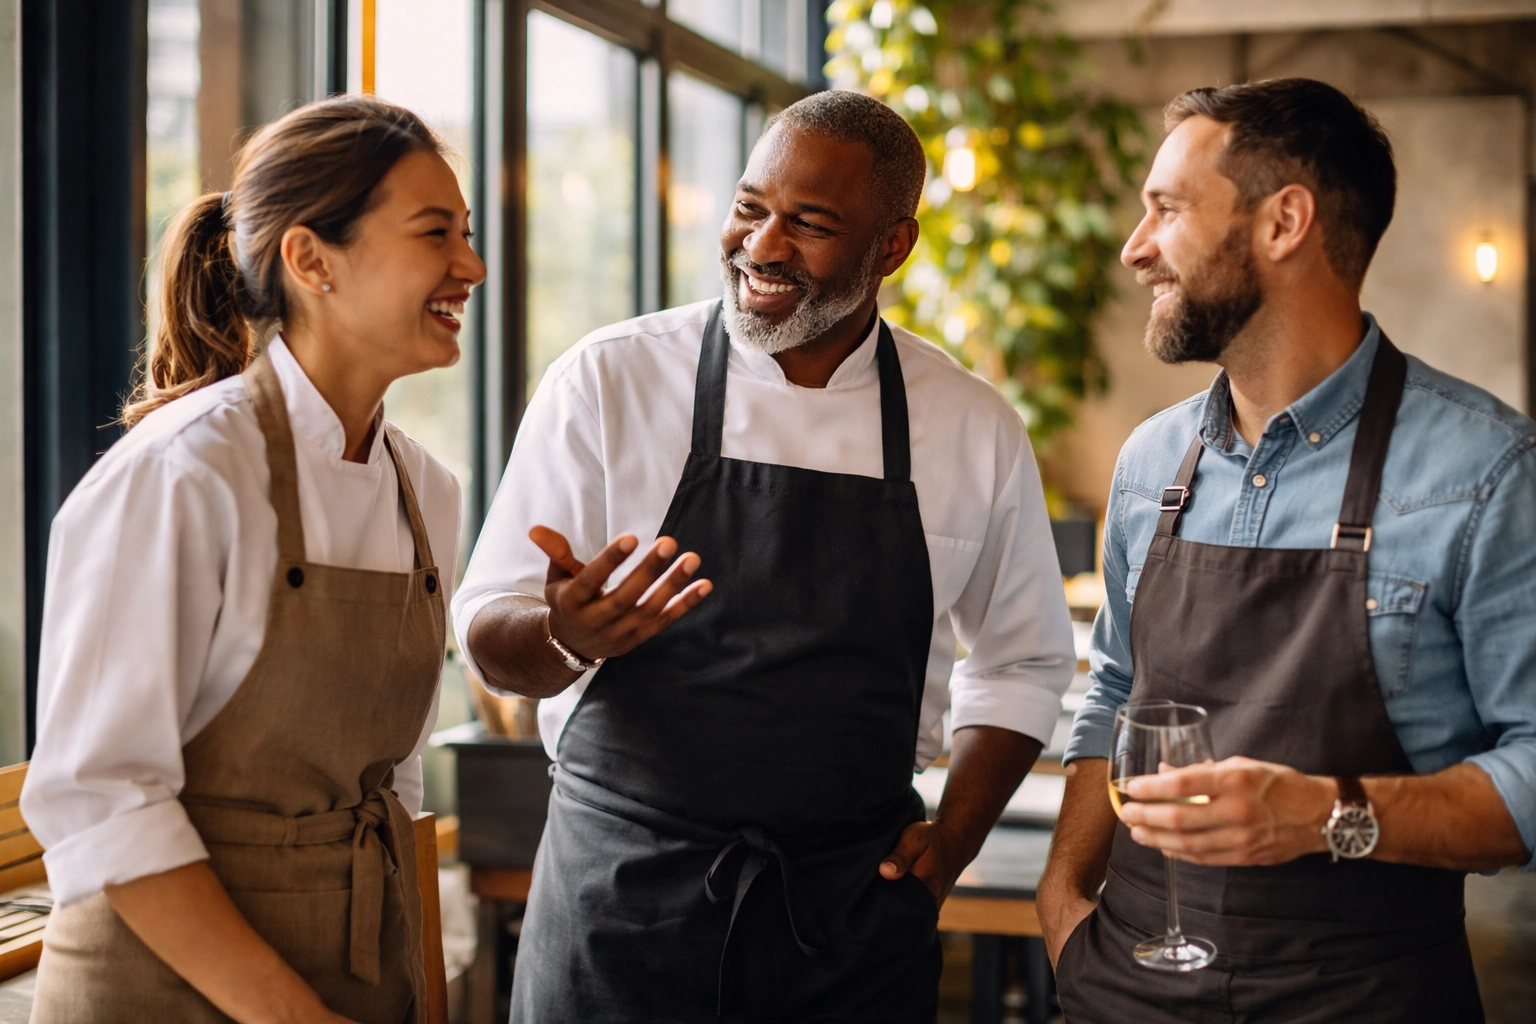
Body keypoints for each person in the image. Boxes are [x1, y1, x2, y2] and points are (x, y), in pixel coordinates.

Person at [455, 89, 1076, 1022]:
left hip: (848, 925)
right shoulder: (611, 379)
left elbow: (1022, 661)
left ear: (893, 247)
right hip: (620, 911)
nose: (762, 246)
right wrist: (565, 634)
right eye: (750, 207)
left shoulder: (970, 426)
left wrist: (951, 839)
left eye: (810, 224)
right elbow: (485, 630)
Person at [1039, 77, 1535, 1023]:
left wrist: (1320, 815)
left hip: (1364, 997)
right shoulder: (1151, 461)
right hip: (1124, 989)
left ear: (1284, 222)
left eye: (1167, 210)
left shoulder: (1486, 473)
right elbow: (1114, 687)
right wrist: (1065, 903)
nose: (1134, 249)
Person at [24, 95, 485, 1024]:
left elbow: (390, 790)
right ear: (311, 260)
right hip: (158, 991)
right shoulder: (182, 473)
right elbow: (100, 800)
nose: (470, 266)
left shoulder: (427, 492)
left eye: (467, 234)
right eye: (436, 233)